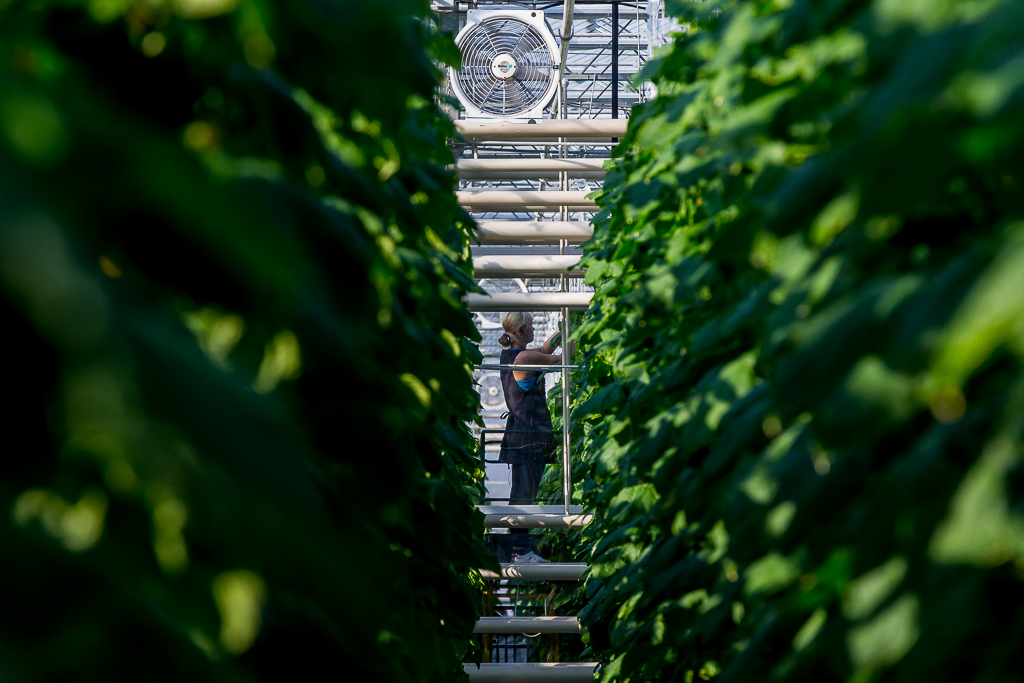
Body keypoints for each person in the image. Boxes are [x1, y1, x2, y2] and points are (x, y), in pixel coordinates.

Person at [497, 311, 575, 506]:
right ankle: (518, 536)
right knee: (525, 496)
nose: (534, 329)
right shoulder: (523, 358)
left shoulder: (511, 355)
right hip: (529, 436)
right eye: (531, 326)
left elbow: (544, 349)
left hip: (522, 435)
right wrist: (573, 335)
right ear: (521, 331)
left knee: (523, 492)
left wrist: (565, 326)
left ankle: (517, 535)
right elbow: (562, 358)